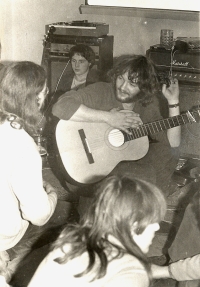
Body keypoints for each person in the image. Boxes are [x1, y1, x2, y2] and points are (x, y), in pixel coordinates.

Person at [52, 54, 181, 214]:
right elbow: (60, 107)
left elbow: (172, 144)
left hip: (114, 167)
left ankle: (143, 212)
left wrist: (173, 102)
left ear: (144, 88)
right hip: (84, 170)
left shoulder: (146, 104)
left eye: (132, 84)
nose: (122, 86)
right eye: (121, 78)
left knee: (165, 154)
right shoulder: (102, 90)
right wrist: (109, 118)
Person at [0, 61, 71, 282]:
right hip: (4, 233)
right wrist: (51, 197)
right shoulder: (22, 143)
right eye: (44, 91)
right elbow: (38, 216)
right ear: (37, 99)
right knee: (66, 220)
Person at [28, 175, 167, 287]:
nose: (157, 227)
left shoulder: (70, 242)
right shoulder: (132, 272)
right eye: (152, 221)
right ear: (132, 224)